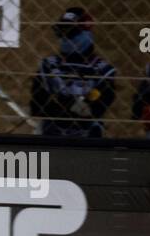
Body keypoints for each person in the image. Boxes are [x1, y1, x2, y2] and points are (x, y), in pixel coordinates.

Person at [30, 7, 116, 138]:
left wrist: (68, 104)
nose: (65, 38)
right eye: (62, 33)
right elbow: (36, 104)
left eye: (71, 33)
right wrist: (68, 106)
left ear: (86, 32)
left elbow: (101, 105)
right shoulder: (49, 65)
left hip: (88, 136)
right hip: (53, 134)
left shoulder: (102, 69)